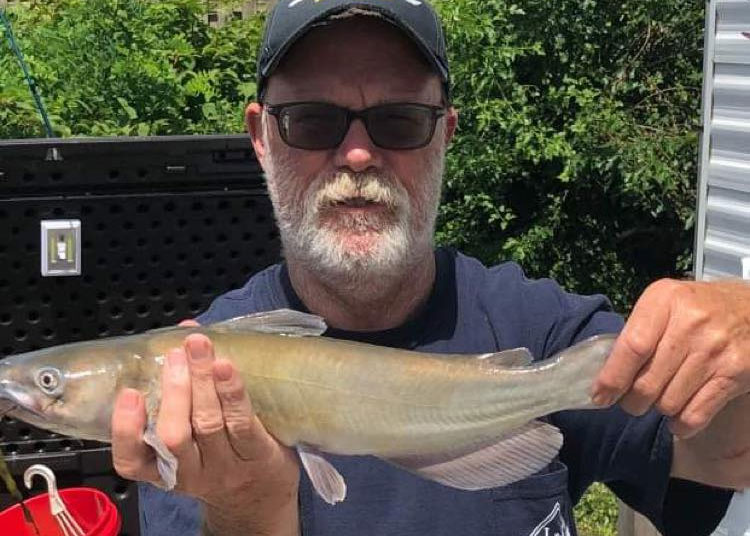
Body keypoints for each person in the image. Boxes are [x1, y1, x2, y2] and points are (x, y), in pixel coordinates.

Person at [110, 1, 750, 535]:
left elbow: (726, 452)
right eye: (311, 122)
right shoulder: (196, 379)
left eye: (399, 121)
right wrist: (250, 508)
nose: (357, 154)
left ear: (445, 133)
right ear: (260, 138)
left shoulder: (538, 326)